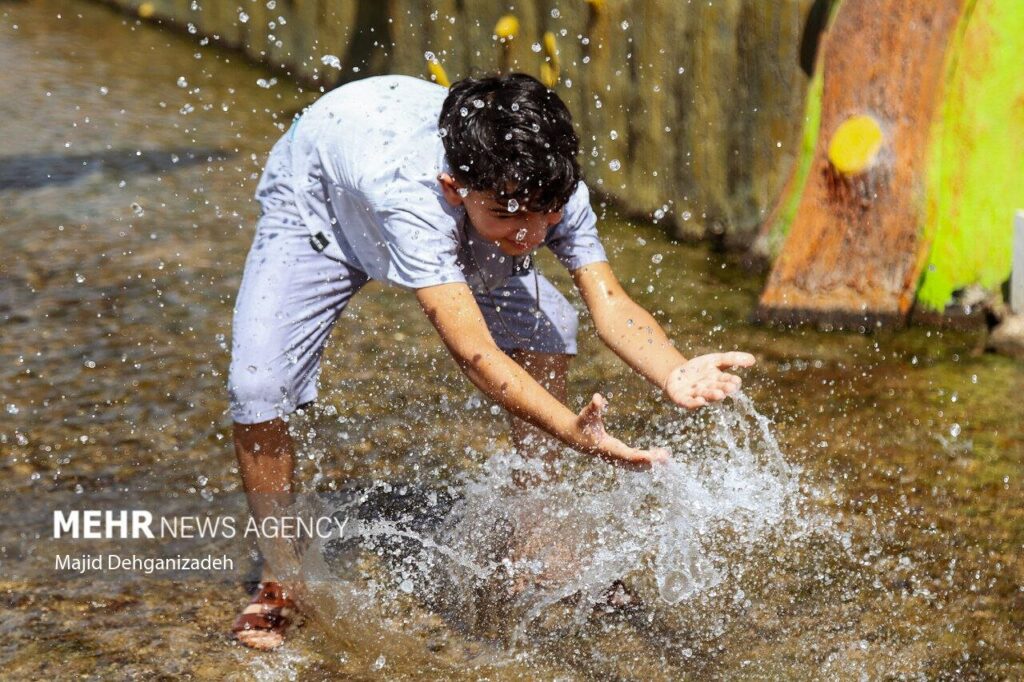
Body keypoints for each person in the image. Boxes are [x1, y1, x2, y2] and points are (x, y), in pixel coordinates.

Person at [227, 72, 755, 649]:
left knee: (545, 327)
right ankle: (282, 575)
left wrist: (673, 368)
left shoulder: (546, 183)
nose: (528, 235)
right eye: (508, 214)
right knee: (257, 387)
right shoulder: (416, 199)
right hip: (320, 199)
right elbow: (475, 352)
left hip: (429, 180)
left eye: (545, 213)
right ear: (454, 187)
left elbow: (609, 303)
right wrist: (572, 431)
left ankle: (537, 534)